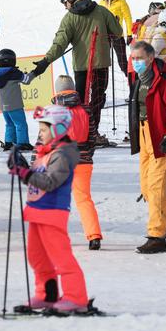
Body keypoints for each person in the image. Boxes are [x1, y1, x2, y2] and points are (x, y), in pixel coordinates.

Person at [8, 105, 89, 313]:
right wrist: (23, 167)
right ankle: (47, 294)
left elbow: (50, 182)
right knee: (37, 256)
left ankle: (76, 298)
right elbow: (37, 181)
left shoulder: (62, 155)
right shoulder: (46, 153)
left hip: (53, 213)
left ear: (57, 130)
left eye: (44, 130)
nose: (40, 134)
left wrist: (25, 173)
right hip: (37, 212)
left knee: (61, 257)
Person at [26, 0, 122, 132]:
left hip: (81, 66)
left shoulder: (70, 18)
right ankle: (93, 133)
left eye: (65, 2)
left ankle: (82, 132)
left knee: (81, 102)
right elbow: (118, 32)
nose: (65, 7)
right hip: (101, 64)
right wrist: (114, 21)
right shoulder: (102, 11)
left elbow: (60, 44)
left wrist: (45, 62)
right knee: (97, 100)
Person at [128, 41, 166, 254]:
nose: (136, 62)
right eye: (133, 58)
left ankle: (157, 235)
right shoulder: (139, 78)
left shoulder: (164, 80)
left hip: (162, 139)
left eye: (139, 58)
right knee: (148, 189)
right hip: (145, 135)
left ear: (151, 57)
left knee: (156, 187)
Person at [51, 75, 103, 250]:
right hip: (83, 161)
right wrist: (88, 154)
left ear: (57, 91)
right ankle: (94, 235)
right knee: (84, 200)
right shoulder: (86, 110)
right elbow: (93, 136)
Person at [0, 48, 32, 151]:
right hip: (15, 105)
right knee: (20, 124)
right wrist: (35, 72)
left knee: (9, 124)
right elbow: (26, 80)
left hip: (3, 106)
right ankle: (22, 143)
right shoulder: (14, 73)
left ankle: (9, 143)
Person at [99, 0, 132, 76]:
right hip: (104, 36)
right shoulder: (101, 2)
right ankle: (101, 84)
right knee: (102, 62)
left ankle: (132, 81)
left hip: (117, 35)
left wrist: (129, 34)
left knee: (122, 63)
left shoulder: (121, 2)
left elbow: (128, 18)